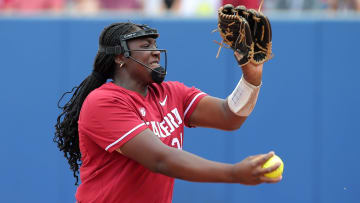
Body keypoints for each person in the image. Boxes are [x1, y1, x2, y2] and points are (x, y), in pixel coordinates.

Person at [54, 22, 282, 203]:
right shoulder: (103, 102)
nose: (155, 52)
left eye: (154, 45)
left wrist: (252, 79)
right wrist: (234, 173)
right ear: (120, 57)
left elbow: (229, 115)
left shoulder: (171, 92)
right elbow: (160, 159)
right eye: (145, 46)